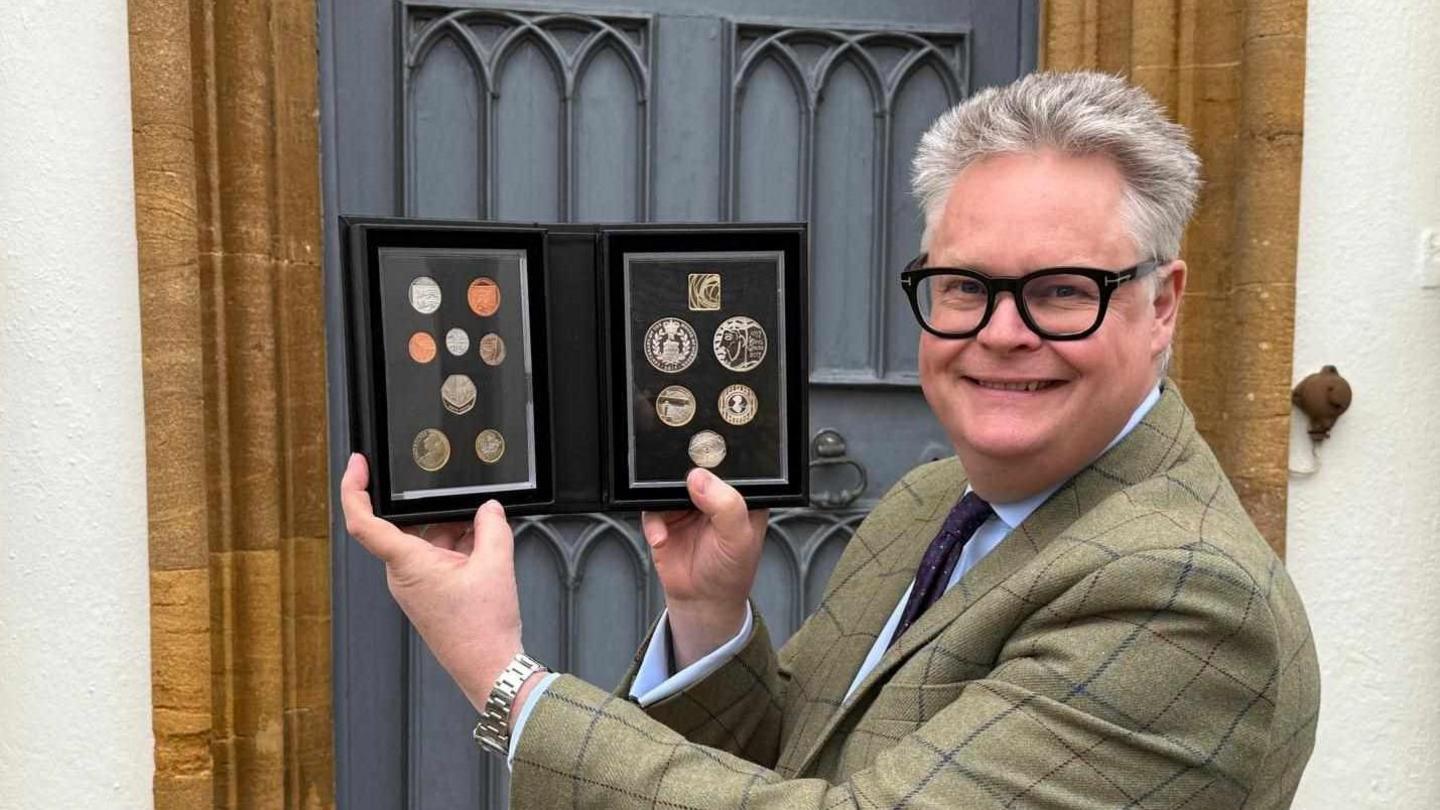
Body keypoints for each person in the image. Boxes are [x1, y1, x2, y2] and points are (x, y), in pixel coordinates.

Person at [341, 71, 1319, 808]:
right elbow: (801, 753)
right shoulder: (936, 501)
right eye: (965, 287)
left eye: (1062, 290)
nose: (1001, 333)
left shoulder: (1188, 598)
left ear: (1162, 305)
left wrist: (503, 678)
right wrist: (710, 613)